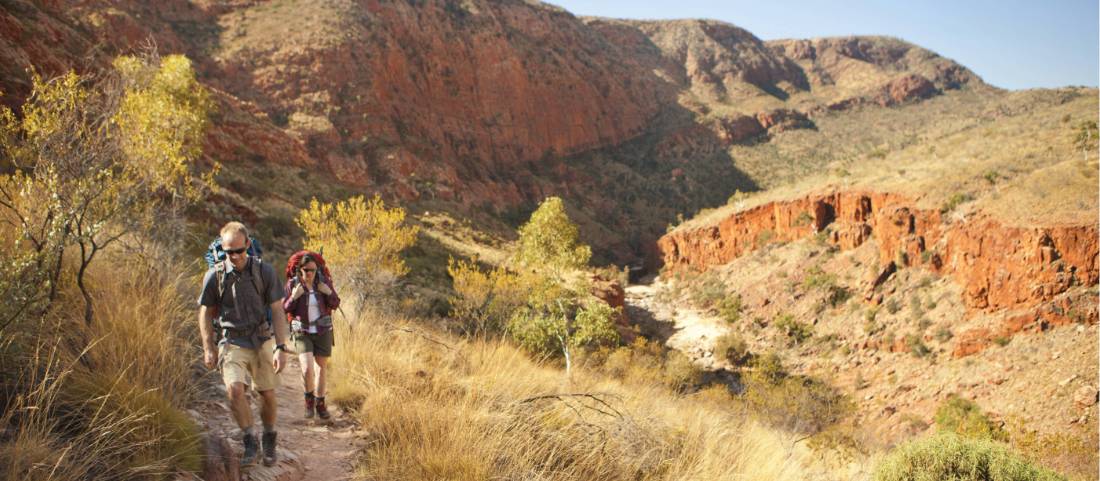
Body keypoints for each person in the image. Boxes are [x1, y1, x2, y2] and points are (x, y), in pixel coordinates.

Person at [197, 222, 290, 467]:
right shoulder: (215, 275)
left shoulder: (264, 272)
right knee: (234, 391)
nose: (235, 256)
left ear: (248, 245)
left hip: (261, 338)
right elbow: (205, 313)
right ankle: (250, 438)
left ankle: (269, 435)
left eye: (239, 250)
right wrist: (209, 347)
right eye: (229, 252)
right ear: (222, 249)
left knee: (266, 393)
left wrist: (281, 346)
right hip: (232, 340)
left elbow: (278, 310)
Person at [282, 252, 340, 420]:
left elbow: (336, 303)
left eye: (313, 270)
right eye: (306, 270)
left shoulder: (323, 282)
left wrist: (328, 292)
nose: (310, 273)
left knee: (321, 369)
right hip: (302, 331)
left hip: (322, 329)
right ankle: (309, 400)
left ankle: (320, 404)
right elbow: (284, 308)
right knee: (307, 369)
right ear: (300, 269)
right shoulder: (293, 284)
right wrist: (294, 297)